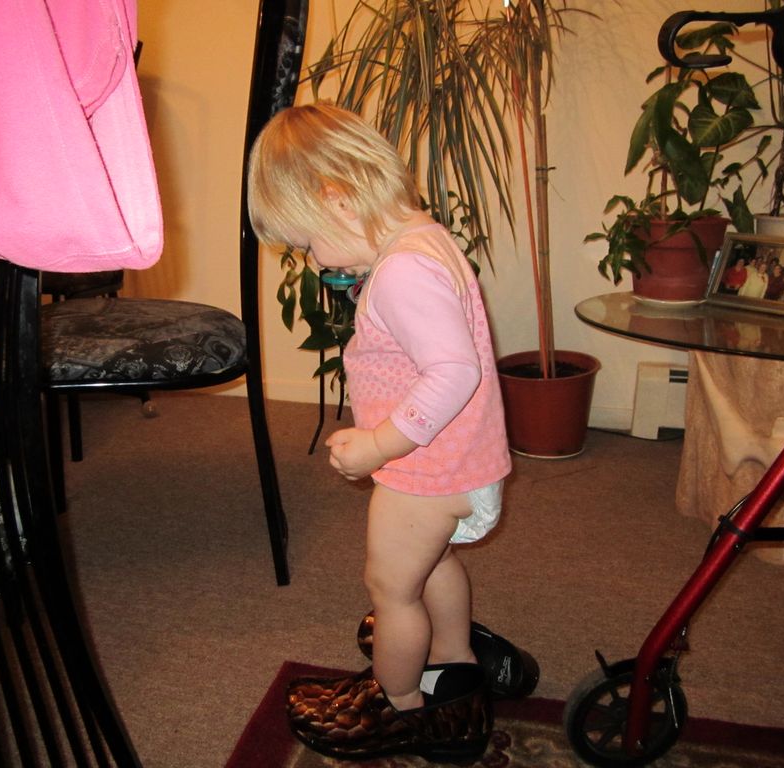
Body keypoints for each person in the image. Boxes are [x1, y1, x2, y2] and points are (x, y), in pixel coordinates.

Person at [247, 103, 511, 761]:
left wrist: (377, 445)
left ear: (337, 201)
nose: (312, 260)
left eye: (307, 243)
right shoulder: (424, 239)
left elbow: (453, 371)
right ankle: (452, 663)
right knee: (433, 563)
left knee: (391, 591)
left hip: (425, 471)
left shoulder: (401, 272)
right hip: (462, 464)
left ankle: (397, 705)